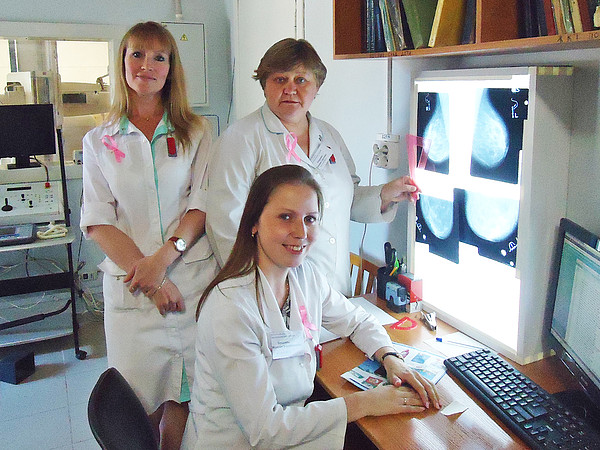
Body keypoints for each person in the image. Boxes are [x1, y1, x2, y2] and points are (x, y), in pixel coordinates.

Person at [182, 165, 440, 449]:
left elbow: (357, 321)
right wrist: (365, 402)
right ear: (254, 223)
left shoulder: (305, 277)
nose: (300, 232)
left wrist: (390, 357)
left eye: (310, 219)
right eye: (285, 217)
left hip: (292, 427)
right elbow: (266, 430)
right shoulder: (231, 308)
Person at [79, 21, 217, 449]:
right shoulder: (98, 140)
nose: (147, 65)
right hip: (135, 292)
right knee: (138, 406)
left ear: (171, 68)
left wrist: (164, 259)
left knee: (188, 395)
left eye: (159, 57)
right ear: (121, 62)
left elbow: (201, 205)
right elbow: (98, 221)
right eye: (137, 54)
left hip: (190, 283)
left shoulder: (197, 131)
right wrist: (153, 278)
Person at [205, 38, 419, 297]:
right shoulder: (240, 138)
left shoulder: (329, 135)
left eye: (301, 80)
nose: (290, 89)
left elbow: (345, 199)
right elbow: (225, 225)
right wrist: (260, 289)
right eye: (280, 79)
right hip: (273, 294)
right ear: (264, 85)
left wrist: (385, 195)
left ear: (317, 86)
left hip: (335, 290)